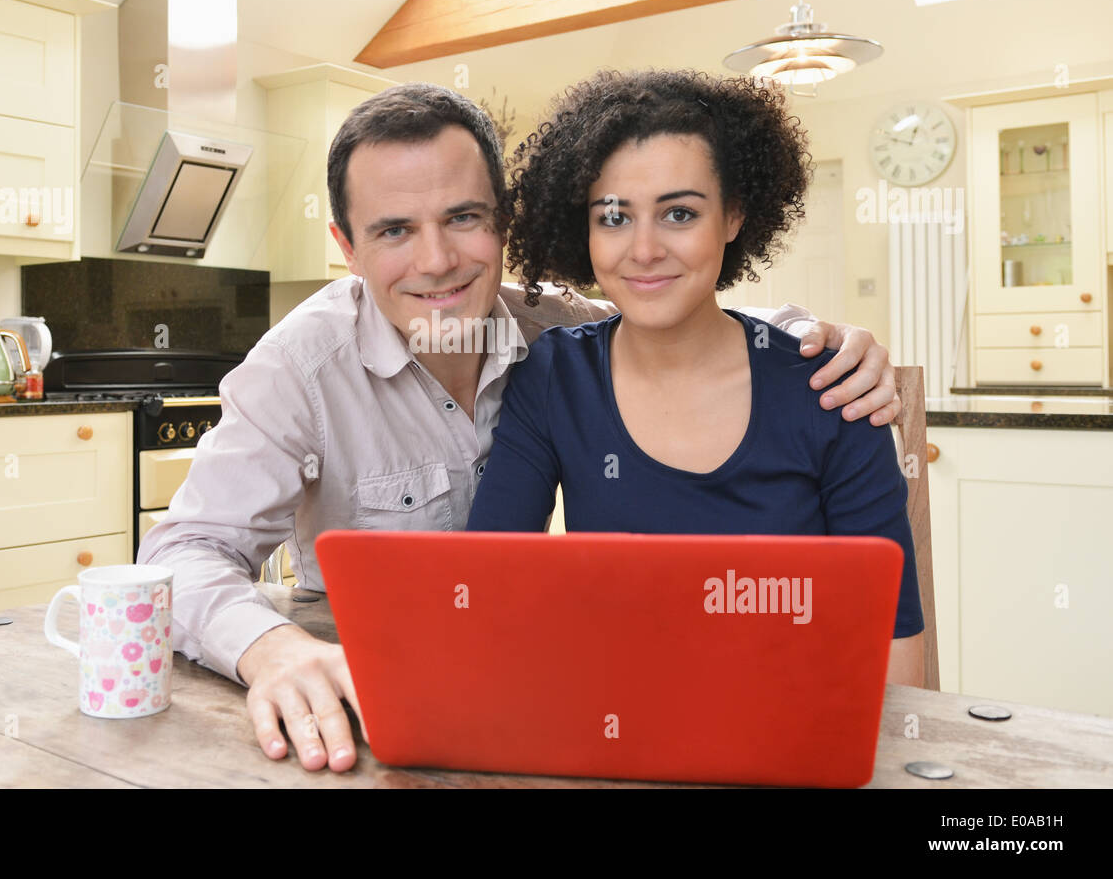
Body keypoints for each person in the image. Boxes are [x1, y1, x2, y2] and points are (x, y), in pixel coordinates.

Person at [137, 81, 907, 772]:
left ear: (504, 222)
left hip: (572, 701)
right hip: (378, 712)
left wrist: (818, 340)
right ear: (346, 247)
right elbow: (182, 554)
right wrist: (272, 649)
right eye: (394, 230)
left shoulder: (546, 328)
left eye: (463, 218)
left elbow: (670, 309)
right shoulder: (300, 368)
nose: (436, 261)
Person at [466, 68, 924, 686]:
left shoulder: (833, 390)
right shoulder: (556, 375)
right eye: (614, 217)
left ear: (733, 217)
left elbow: (895, 653)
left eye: (679, 213)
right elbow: (486, 586)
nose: (645, 249)